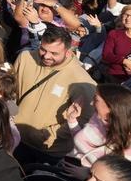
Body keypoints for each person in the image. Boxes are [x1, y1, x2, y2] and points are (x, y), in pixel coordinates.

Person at [12, 26, 97, 162]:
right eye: (43, 49)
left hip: (46, 151)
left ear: (69, 52)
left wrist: (48, 136)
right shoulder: (25, 58)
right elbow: (11, 89)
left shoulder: (81, 81)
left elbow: (86, 118)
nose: (46, 56)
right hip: (14, 136)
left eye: (54, 53)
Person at [63, 83, 131, 173]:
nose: (91, 103)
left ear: (111, 106)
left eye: (96, 100)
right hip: (64, 168)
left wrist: (88, 175)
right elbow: (81, 142)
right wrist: (72, 120)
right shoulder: (98, 119)